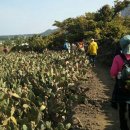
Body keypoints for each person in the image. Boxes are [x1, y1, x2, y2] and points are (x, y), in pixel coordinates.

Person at [110, 35, 130, 130]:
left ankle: (124, 128)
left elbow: (113, 73)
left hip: (122, 87)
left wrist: (117, 78)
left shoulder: (118, 57)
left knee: (123, 111)